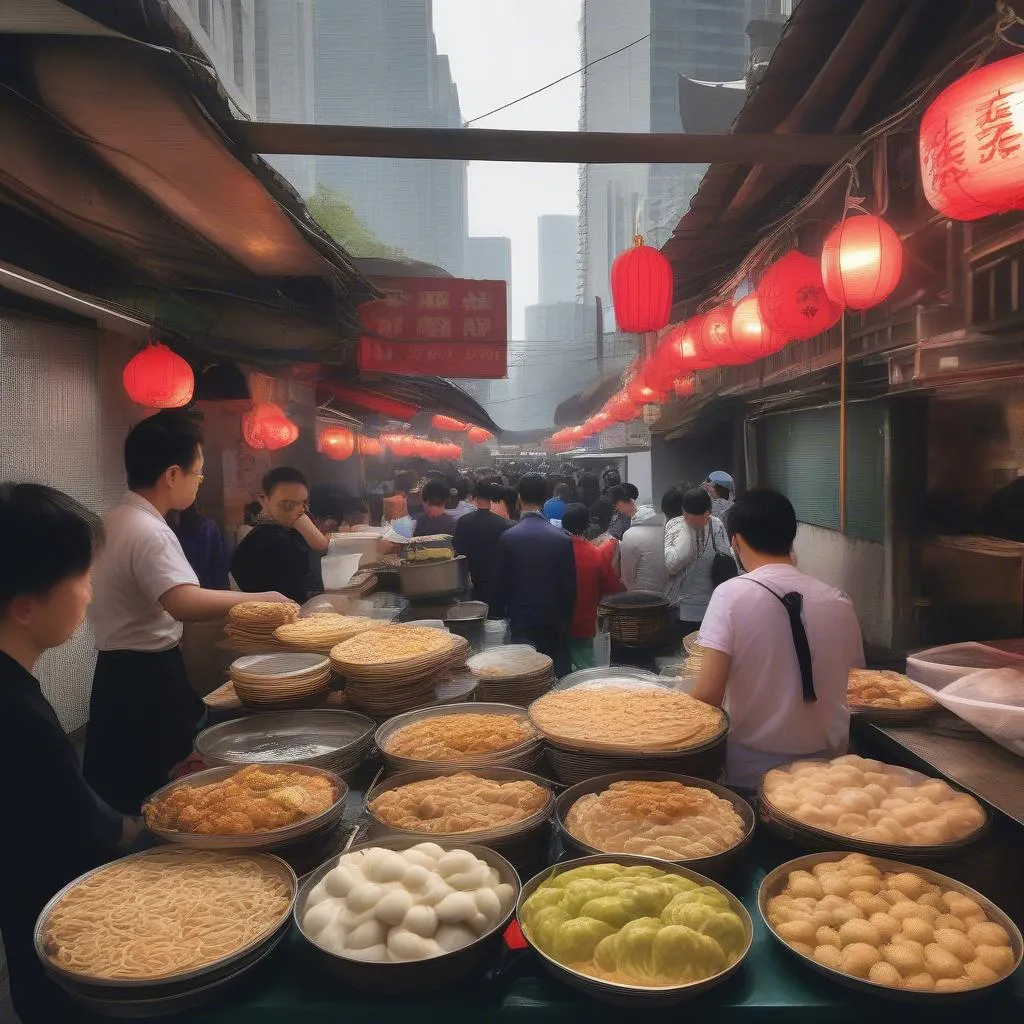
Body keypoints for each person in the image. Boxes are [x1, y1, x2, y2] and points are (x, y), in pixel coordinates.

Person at [84, 412, 288, 815]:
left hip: (114, 672)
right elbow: (182, 602)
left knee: (121, 785)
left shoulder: (114, 519)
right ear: (172, 474)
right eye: (198, 472)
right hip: (148, 678)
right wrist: (260, 598)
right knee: (168, 795)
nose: (200, 481)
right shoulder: (150, 529)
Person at [0, 483, 144, 1024]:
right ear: (24, 607)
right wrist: (155, 833)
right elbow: (80, 822)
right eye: (83, 578)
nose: (90, 593)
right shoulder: (15, 712)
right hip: (56, 939)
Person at [693, 489, 865, 792]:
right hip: (829, 774)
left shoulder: (730, 595)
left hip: (753, 774)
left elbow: (708, 696)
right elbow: (855, 686)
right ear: (791, 536)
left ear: (736, 541)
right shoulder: (839, 601)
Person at [492, 473, 576, 660]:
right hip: (551, 618)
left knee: (524, 669)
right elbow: (569, 587)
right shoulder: (562, 539)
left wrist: (498, 615)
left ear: (519, 498)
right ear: (545, 498)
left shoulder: (509, 537)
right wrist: (566, 619)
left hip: (520, 617)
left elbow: (500, 583)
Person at [230, 467, 330, 604]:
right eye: (287, 505)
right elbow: (294, 596)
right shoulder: (269, 541)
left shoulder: (286, 530)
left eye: (304, 503)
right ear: (263, 500)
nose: (298, 511)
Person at [561, 502, 624, 670]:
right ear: (587, 525)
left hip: (555, 620)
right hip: (583, 622)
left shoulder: (554, 548)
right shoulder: (594, 554)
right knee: (586, 670)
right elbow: (611, 587)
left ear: (563, 522)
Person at [663, 487, 732, 635]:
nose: (687, 518)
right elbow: (670, 565)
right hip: (681, 606)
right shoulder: (676, 525)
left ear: (707, 513)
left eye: (692, 516)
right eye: (685, 514)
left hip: (711, 605)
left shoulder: (716, 524)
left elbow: (727, 556)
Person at [453, 481, 512, 615]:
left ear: (475, 497)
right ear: (491, 498)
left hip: (472, 579)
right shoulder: (503, 524)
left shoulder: (464, 521)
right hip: (496, 580)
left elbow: (458, 548)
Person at [168, 502, 230, 590]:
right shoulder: (208, 526)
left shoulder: (207, 527)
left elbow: (220, 566)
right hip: (202, 589)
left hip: (200, 591)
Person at [619, 500, 668, 593]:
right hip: (667, 595)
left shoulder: (629, 535)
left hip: (641, 595)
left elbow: (626, 576)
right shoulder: (667, 531)